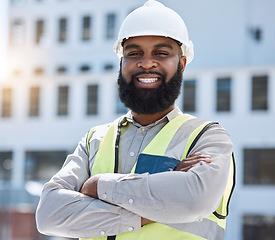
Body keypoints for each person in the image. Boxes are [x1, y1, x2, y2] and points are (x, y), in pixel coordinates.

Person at [36, 1, 235, 240]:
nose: (147, 62)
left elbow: (194, 200)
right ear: (122, 63)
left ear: (181, 64)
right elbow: (48, 214)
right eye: (134, 53)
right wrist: (157, 202)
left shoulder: (208, 138)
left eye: (161, 53)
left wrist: (97, 185)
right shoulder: (94, 141)